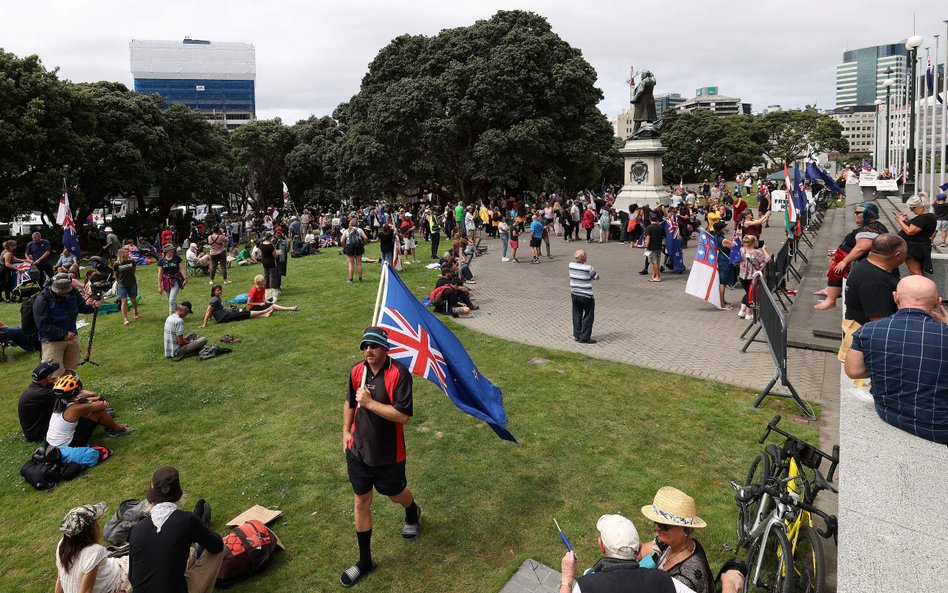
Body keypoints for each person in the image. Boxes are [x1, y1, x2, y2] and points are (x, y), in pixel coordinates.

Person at [340, 327, 421, 587]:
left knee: (395, 494)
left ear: (385, 348)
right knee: (361, 501)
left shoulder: (399, 374)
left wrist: (371, 403)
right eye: (364, 346)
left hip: (388, 453)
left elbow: (403, 416)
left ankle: (412, 511)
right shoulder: (357, 371)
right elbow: (350, 403)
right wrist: (345, 432)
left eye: (373, 346)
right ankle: (365, 561)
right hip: (358, 450)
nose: (368, 351)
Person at [845, 275, 948, 444]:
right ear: (938, 302)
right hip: (940, 428)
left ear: (895, 297)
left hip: (889, 414)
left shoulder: (868, 331)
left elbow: (853, 371)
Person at [129, 467, 224, 593]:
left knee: (187, 553)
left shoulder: (137, 529)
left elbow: (132, 576)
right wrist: (202, 531)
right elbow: (216, 546)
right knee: (220, 549)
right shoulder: (187, 520)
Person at [559, 514, 691, 593]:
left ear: (602, 546)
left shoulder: (586, 587)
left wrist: (567, 578)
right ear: (637, 548)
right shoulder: (663, 579)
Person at [638, 486, 714, 593]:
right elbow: (640, 552)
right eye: (656, 522)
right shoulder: (673, 542)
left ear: (686, 530)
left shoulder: (684, 579)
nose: (656, 528)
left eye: (664, 525)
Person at [814, 202, 888, 310]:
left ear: (867, 214)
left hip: (863, 266)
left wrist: (844, 261)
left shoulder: (870, 231)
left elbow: (861, 248)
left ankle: (831, 300)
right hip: (853, 259)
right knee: (834, 264)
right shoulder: (869, 227)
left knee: (838, 268)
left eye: (857, 212)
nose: (854, 215)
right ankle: (830, 290)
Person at [55, 502, 132, 593]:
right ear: (90, 530)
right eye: (95, 522)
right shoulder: (94, 552)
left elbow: (60, 579)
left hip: (107, 571)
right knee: (141, 560)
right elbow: (86, 591)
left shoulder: (62, 545)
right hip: (113, 582)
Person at [34, 274, 101, 378]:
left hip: (72, 337)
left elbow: (81, 307)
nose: (63, 294)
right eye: (60, 292)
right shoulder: (42, 299)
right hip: (52, 341)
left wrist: (93, 306)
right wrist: (63, 334)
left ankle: (70, 392)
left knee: (70, 368)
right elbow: (42, 324)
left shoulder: (73, 292)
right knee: (53, 374)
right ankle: (56, 392)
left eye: (65, 292)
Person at [46, 372, 133, 446]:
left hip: (52, 443)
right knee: (98, 412)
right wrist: (101, 401)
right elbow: (101, 405)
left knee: (87, 412)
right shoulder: (75, 408)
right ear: (76, 391)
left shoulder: (59, 401)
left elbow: (79, 401)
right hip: (67, 445)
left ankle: (112, 425)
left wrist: (93, 399)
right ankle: (116, 429)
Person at [843, 234, 905, 326]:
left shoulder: (866, 264)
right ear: (898, 255)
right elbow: (878, 324)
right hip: (868, 334)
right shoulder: (876, 281)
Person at [18, 362, 60, 442]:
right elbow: (67, 397)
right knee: (69, 407)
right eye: (52, 374)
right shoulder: (41, 393)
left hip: (33, 430)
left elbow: (59, 388)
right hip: (37, 435)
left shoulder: (39, 386)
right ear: (48, 377)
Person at [895, 195, 936, 276]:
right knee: (917, 271)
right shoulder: (929, 217)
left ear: (919, 206)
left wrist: (900, 221)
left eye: (912, 208)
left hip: (914, 248)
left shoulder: (923, 218)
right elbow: (916, 228)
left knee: (915, 271)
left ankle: (919, 288)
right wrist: (906, 221)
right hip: (919, 246)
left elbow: (910, 231)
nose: (911, 211)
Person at [200, 284, 272, 327]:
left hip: (226, 314)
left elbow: (212, 311)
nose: (220, 291)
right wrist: (204, 324)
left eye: (220, 290)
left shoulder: (217, 298)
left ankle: (264, 315)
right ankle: (265, 311)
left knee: (242, 314)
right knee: (244, 313)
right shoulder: (214, 300)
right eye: (218, 290)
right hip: (223, 318)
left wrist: (210, 318)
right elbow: (208, 311)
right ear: (213, 292)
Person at [569, 250, 600, 344]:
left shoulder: (571, 265)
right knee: (588, 315)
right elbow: (597, 277)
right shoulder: (588, 268)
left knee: (576, 314)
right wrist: (589, 277)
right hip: (586, 295)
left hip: (575, 293)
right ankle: (585, 337)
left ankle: (577, 335)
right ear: (584, 258)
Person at [737, 235, 770, 319]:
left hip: (742, 276)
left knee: (748, 292)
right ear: (754, 243)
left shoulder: (742, 250)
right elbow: (768, 260)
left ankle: (742, 311)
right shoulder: (757, 253)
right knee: (752, 294)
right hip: (753, 277)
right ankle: (748, 313)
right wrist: (764, 250)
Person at [712, 221, 737, 310]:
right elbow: (735, 246)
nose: (726, 229)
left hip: (721, 259)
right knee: (723, 282)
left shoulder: (717, 237)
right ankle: (722, 303)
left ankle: (723, 300)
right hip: (725, 261)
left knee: (723, 281)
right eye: (724, 228)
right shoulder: (723, 240)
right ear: (721, 229)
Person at [113, 248, 140, 326]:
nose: (129, 253)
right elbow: (116, 275)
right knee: (124, 301)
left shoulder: (132, 262)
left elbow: (134, 271)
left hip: (132, 283)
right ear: (122, 254)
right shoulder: (116, 264)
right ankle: (125, 318)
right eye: (127, 252)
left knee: (133, 300)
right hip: (122, 284)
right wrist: (119, 282)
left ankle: (135, 311)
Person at [158, 244, 187, 316]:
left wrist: (185, 278)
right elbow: (160, 273)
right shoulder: (161, 261)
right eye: (171, 250)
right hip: (165, 281)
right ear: (167, 251)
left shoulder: (177, 258)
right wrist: (159, 286)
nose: (173, 251)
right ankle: (179, 311)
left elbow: (181, 269)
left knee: (171, 299)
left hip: (175, 280)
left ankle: (171, 316)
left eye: (173, 250)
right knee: (171, 300)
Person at [643, 212, 665, 282]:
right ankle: (654, 276)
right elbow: (663, 236)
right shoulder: (660, 227)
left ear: (650, 219)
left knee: (654, 262)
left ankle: (657, 277)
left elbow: (648, 238)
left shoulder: (648, 228)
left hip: (651, 247)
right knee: (657, 261)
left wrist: (646, 247)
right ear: (657, 219)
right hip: (659, 246)